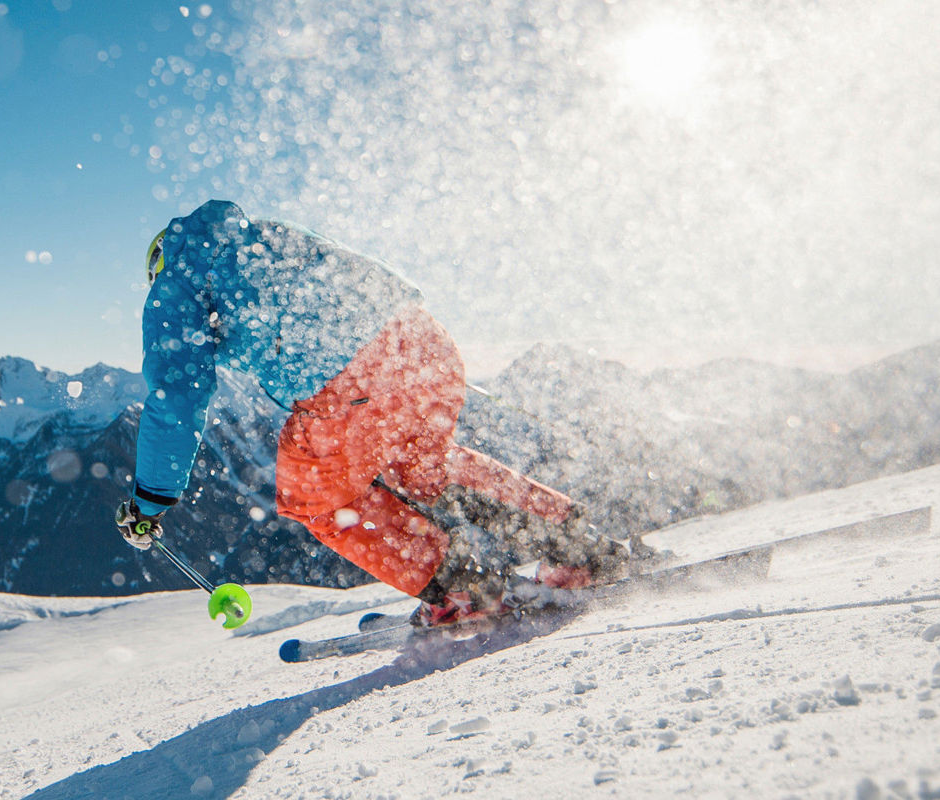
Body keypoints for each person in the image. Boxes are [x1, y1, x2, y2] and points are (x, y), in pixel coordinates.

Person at [113, 199, 636, 627]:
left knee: (312, 496)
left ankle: (464, 587)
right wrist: (398, 352)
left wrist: (150, 501)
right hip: (423, 340)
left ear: (157, 264)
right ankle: (577, 544)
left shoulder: (175, 282)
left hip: (351, 383)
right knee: (424, 464)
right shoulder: (263, 233)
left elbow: (176, 397)